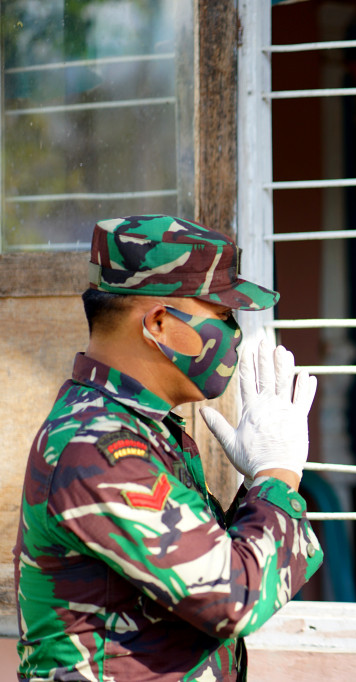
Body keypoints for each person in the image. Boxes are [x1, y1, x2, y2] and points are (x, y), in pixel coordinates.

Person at [13, 215, 324, 681]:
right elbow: (231, 596)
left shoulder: (139, 428)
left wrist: (257, 490)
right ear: (159, 322)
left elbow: (201, 562)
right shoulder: (96, 448)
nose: (236, 334)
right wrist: (278, 477)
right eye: (222, 316)